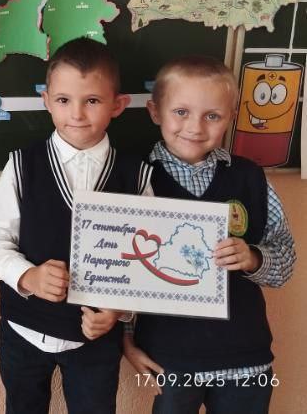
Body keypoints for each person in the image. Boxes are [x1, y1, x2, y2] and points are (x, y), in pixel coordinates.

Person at [0, 37, 152, 414]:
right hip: (24, 331)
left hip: (95, 340)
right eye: (63, 100)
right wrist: (28, 276)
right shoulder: (22, 166)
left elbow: (146, 263)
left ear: (117, 105)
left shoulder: (136, 176)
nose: (76, 113)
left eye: (92, 101)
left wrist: (118, 311)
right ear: (46, 100)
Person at [123, 56, 295, 414]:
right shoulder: (132, 178)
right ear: (155, 111)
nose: (195, 127)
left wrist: (253, 258)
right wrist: (126, 341)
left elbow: (285, 260)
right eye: (181, 112)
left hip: (245, 357)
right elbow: (117, 272)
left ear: (231, 116)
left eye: (212, 116)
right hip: (168, 358)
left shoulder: (249, 178)